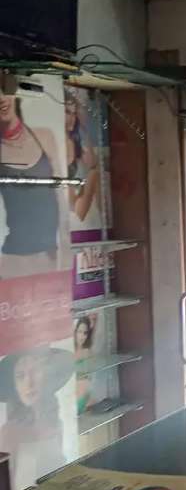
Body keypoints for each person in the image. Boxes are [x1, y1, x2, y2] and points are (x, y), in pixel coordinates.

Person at [0, 92, 65, 277]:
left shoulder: (44, 136)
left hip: (49, 255)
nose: (1, 99)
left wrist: (64, 246)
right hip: (15, 258)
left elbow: (61, 195)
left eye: (3, 91)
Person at [0, 347, 74, 490]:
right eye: (20, 376)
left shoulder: (55, 422)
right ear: (14, 386)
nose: (29, 383)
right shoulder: (9, 433)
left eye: (34, 371)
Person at [65, 90, 100, 224]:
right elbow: (79, 212)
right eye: (67, 112)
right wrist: (93, 171)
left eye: (74, 113)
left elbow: (79, 212)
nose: (72, 118)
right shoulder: (54, 144)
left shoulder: (76, 144)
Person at [74, 314, 97, 413]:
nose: (82, 336)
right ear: (75, 332)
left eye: (85, 333)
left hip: (85, 399)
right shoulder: (68, 351)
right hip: (73, 400)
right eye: (79, 332)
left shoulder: (87, 352)